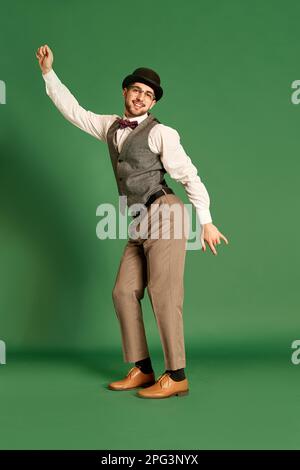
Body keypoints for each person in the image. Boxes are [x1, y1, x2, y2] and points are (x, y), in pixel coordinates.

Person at [36, 44, 229, 399]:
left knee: (163, 292)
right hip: (138, 221)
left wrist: (207, 221)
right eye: (137, 90)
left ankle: (177, 375)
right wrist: (49, 73)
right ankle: (142, 369)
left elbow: (189, 176)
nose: (141, 98)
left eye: (148, 95)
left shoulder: (162, 133)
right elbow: (74, 111)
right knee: (123, 291)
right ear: (125, 92)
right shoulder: (110, 126)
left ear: (153, 103)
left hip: (166, 213)